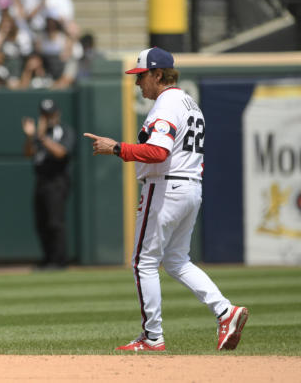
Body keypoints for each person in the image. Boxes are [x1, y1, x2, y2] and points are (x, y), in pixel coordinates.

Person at [83, 47, 249, 351]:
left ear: (158, 74)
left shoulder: (166, 103)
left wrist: (117, 148)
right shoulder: (189, 102)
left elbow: (159, 152)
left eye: (142, 76)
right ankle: (226, 311)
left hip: (166, 187)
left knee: (142, 263)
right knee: (176, 261)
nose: (138, 83)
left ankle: (152, 336)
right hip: (190, 187)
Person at [22, 98, 74, 269]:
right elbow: (28, 153)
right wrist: (31, 137)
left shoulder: (64, 131)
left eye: (50, 114)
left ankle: (59, 261)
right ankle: (48, 259)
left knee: (55, 221)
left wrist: (42, 137)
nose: (48, 118)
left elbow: (61, 153)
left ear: (57, 114)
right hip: (41, 180)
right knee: (41, 222)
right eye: (44, 115)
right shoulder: (39, 134)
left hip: (57, 180)